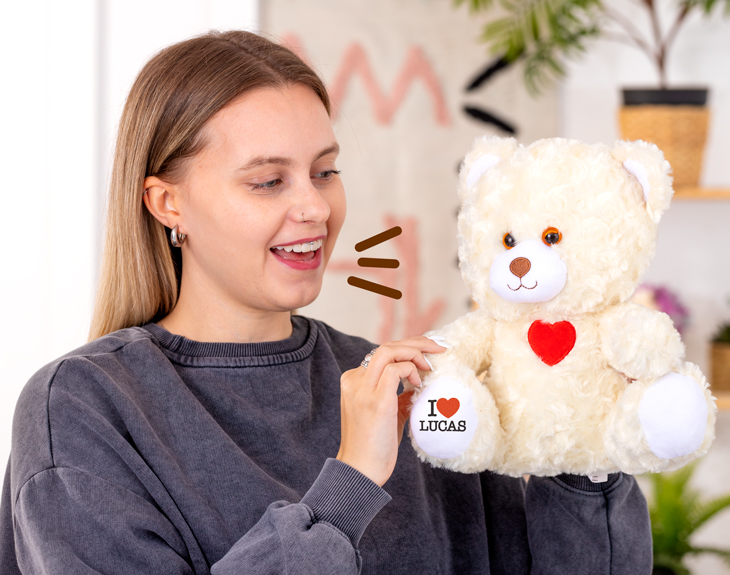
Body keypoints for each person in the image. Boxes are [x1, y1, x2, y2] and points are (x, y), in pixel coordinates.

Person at [0, 30, 652, 574]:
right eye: (268, 181)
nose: (314, 207)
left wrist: (583, 445)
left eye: (325, 171)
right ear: (168, 203)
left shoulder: (409, 391)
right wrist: (351, 482)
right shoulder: (84, 407)